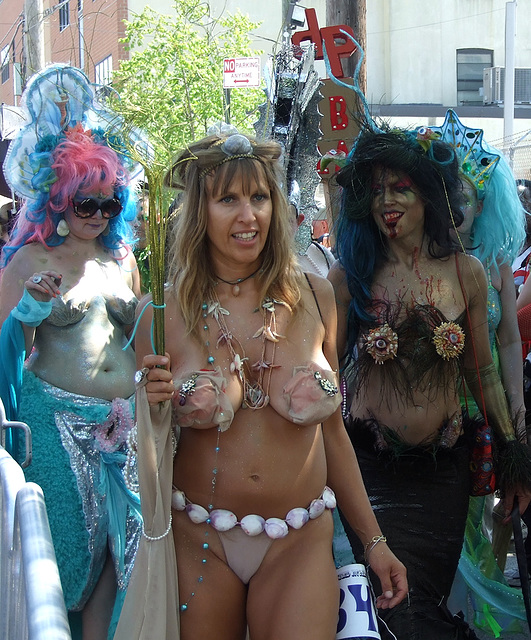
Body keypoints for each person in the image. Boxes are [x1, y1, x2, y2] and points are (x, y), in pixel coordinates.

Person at [116, 131, 407, 640]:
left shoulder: (316, 297)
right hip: (201, 538)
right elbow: (143, 453)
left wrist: (374, 540)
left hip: (298, 538)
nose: (247, 215)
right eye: (228, 199)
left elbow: (333, 436)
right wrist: (154, 404)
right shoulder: (160, 316)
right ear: (198, 212)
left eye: (259, 196)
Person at [328, 123, 531, 639]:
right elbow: (324, 371)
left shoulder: (466, 273)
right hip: (370, 470)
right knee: (387, 609)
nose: (386, 201)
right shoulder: (350, 274)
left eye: (400, 187)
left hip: (444, 475)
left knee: (424, 603)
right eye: (375, 191)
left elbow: (482, 372)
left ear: (428, 194)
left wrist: (512, 456)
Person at [0, 65, 142, 639]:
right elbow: (4, 337)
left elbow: (141, 339)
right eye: (87, 204)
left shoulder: (123, 259)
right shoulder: (31, 260)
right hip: (54, 428)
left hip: (125, 429)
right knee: (58, 568)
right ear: (57, 198)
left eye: (110, 205)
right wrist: (29, 312)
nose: (99, 216)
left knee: (121, 568)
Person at [431, 110, 528, 634]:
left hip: (486, 413)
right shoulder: (420, 259)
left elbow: (508, 337)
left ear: (483, 201)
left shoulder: (494, 260)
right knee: (445, 531)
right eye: (447, 194)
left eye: (464, 195)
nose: (456, 208)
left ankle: (473, 618)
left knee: (489, 522)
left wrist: (516, 412)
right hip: (436, 418)